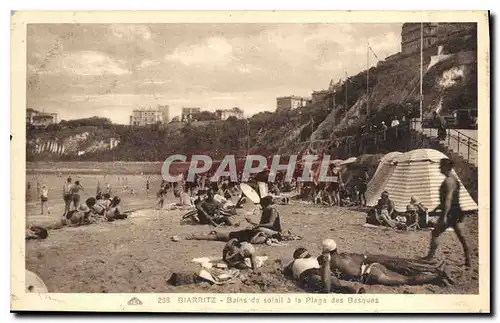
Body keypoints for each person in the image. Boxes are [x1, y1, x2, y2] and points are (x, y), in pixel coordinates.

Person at [321, 239, 453, 286]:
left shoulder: (331, 263)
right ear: (336, 248)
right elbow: (364, 258)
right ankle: (435, 275)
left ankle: (438, 276)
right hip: (373, 267)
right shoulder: (346, 256)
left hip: (370, 276)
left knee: (406, 280)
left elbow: (326, 279)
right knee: (404, 276)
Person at [423, 158, 471, 267]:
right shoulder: (453, 179)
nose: (439, 168)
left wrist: (444, 216)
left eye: (441, 166)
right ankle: (468, 261)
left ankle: (430, 257)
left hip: (449, 213)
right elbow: (450, 199)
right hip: (457, 211)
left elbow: (448, 199)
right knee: (461, 236)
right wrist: (437, 208)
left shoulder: (448, 181)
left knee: (435, 233)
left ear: (446, 167)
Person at [187, 195, 282, 243]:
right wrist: (252, 222)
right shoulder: (266, 211)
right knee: (248, 229)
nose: (262, 207)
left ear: (265, 204)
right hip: (264, 230)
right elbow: (261, 225)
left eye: (262, 205)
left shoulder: (272, 210)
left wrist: (257, 225)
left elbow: (270, 224)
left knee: (257, 229)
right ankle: (201, 236)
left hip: (274, 232)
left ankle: (202, 236)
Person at [283, 247, 364, 294]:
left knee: (324, 286)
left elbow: (286, 272)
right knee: (337, 286)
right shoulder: (314, 259)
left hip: (308, 274)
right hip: (321, 270)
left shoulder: (295, 262)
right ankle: (354, 291)